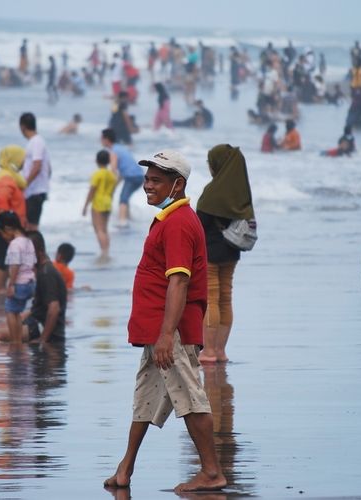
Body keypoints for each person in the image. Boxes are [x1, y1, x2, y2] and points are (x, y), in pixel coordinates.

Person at [104, 149, 226, 493]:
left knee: (190, 397)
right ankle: (125, 468)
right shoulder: (170, 219)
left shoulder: (179, 223)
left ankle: (212, 472)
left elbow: (180, 281)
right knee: (145, 398)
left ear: (178, 185)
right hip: (158, 331)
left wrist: (166, 335)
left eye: (156, 180)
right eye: (146, 179)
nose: (147, 186)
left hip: (170, 332)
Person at [196, 144, 253, 364]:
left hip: (210, 252)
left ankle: (209, 351)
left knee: (211, 299)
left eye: (211, 163)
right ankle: (219, 351)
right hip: (232, 251)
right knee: (225, 298)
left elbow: (199, 224)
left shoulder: (213, 191)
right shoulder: (240, 191)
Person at [0, 145, 28, 293]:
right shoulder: (5, 179)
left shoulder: (11, 177)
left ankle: (3, 289)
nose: (24, 163)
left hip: (8, 227)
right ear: (14, 159)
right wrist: (7, 229)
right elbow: (2, 204)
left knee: (7, 259)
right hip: (1, 227)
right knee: (1, 260)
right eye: (22, 159)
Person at [0, 211, 37, 344]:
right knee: (17, 312)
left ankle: (15, 341)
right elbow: (33, 262)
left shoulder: (15, 244)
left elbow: (15, 264)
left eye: (2, 233)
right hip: (30, 283)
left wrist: (11, 284)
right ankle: (18, 340)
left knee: (10, 310)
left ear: (8, 228)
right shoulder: (28, 241)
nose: (3, 237)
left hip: (19, 283)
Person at [101, 128, 142, 227]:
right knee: (125, 197)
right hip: (140, 176)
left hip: (132, 177)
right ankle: (128, 219)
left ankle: (122, 222)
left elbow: (114, 170)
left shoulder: (113, 151)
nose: (100, 140)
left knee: (123, 199)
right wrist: (114, 185)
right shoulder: (120, 148)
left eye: (101, 138)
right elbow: (123, 171)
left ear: (106, 139)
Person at [19, 112, 52, 231]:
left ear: (22, 126)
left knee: (31, 228)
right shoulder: (36, 141)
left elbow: (37, 166)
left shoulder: (36, 142)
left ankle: (36, 250)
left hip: (35, 191)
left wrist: (24, 184)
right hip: (36, 190)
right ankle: (33, 249)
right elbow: (48, 168)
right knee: (29, 226)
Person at [82, 150, 117, 263]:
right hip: (108, 202)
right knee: (105, 229)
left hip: (98, 203)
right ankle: (107, 251)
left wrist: (86, 205)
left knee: (99, 229)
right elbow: (113, 190)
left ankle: (104, 252)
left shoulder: (97, 174)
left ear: (97, 160)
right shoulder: (111, 175)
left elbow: (92, 190)